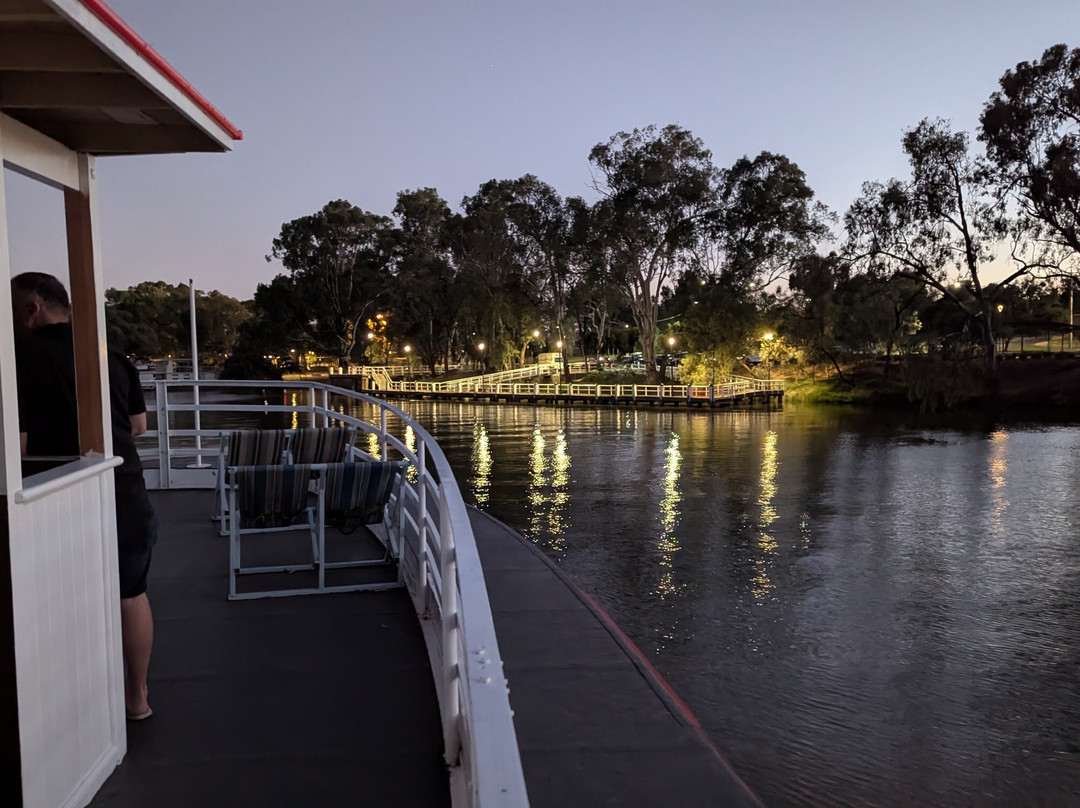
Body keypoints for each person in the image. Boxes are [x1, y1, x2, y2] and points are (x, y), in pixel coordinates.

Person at [11, 272, 156, 721]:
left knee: (56, 599)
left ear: (32, 309)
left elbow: (15, 444)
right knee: (130, 593)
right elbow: (138, 427)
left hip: (53, 493)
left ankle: (69, 712)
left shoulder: (20, 357)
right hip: (124, 487)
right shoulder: (110, 356)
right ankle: (137, 700)